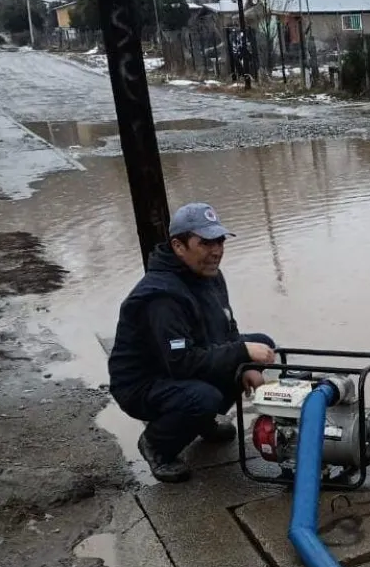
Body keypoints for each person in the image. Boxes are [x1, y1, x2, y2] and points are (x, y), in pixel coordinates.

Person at [108, 202, 278, 483]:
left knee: (264, 346)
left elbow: (227, 328)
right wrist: (240, 352)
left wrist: (248, 362)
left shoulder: (209, 275)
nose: (216, 251)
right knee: (202, 397)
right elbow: (181, 363)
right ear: (178, 246)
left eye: (220, 241)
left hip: (180, 362)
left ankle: (201, 422)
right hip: (142, 383)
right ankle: (157, 445)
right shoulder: (160, 296)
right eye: (206, 243)